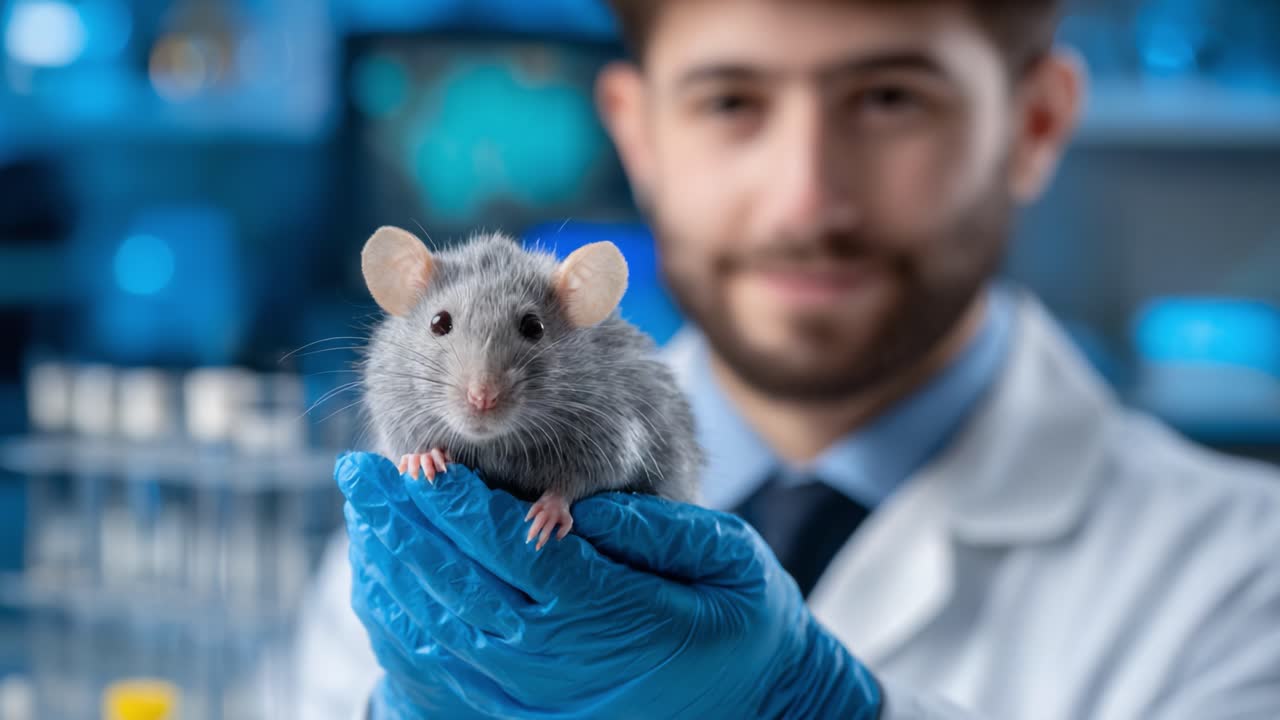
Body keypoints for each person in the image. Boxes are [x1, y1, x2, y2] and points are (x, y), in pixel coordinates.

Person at [296, 1, 1280, 717]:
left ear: (1033, 122)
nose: (803, 198)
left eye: (889, 97)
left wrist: (824, 712)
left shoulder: (1242, 578)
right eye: (730, 101)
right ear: (635, 130)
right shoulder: (429, 507)